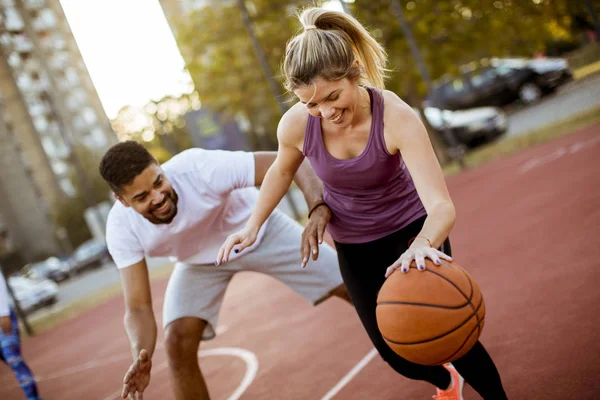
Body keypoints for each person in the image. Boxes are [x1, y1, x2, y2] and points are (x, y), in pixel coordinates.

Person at [217, 7, 508, 400]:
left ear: (354, 70)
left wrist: (423, 245)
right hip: (355, 245)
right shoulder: (297, 125)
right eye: (312, 105)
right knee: (396, 350)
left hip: (413, 232)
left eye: (333, 96)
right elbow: (281, 172)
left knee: (455, 334)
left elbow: (441, 206)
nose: (326, 112)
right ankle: (446, 384)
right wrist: (252, 225)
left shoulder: (395, 117)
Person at [99, 141, 351, 400]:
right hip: (198, 263)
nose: (158, 197)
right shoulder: (120, 227)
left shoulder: (198, 168)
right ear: (122, 200)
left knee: (353, 286)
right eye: (141, 197)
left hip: (257, 230)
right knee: (176, 342)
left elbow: (291, 161)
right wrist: (142, 353)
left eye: (158, 182)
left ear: (160, 167)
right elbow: (138, 307)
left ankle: (395, 339)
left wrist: (316, 207)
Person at [0, 271, 43, 400]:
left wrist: (3, 312)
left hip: (2, 318)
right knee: (10, 359)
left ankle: (33, 398)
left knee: (14, 359)